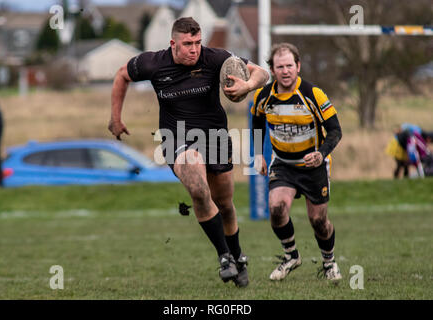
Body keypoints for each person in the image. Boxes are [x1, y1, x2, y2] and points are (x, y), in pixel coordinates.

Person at [108, 17, 269, 287]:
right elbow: (122, 74)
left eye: (197, 42)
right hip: (176, 139)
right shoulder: (153, 63)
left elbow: (262, 73)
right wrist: (115, 117)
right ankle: (224, 256)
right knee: (198, 187)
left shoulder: (215, 58)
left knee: (225, 204)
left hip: (215, 137)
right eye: (187, 44)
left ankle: (237, 255)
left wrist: (248, 85)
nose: (194, 49)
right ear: (173, 43)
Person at [251, 43, 343, 282]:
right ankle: (291, 256)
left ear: (298, 66)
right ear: (272, 69)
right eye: (280, 66)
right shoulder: (264, 95)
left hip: (313, 166)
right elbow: (257, 120)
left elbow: (335, 131)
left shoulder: (314, 94)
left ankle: (329, 263)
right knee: (276, 208)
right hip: (282, 164)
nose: (285, 71)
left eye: (289, 65)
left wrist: (321, 153)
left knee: (318, 221)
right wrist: (258, 154)